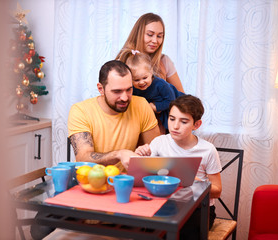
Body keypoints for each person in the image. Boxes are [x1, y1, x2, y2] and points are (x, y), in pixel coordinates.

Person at [30, 60, 160, 240]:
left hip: (123, 189)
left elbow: (158, 151)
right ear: (101, 88)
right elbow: (84, 156)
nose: (125, 97)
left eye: (129, 89)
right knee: (40, 230)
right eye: (117, 91)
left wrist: (146, 152)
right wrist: (119, 153)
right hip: (85, 187)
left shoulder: (141, 105)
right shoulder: (81, 110)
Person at [135, 94, 222, 240]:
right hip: (165, 203)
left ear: (196, 125)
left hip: (199, 208)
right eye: (172, 119)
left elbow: (217, 191)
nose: (175, 126)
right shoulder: (159, 142)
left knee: (179, 230)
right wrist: (140, 157)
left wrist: (195, 182)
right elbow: (143, 179)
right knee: (143, 225)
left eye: (184, 121)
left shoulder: (208, 150)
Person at [118, 48, 184, 133]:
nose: (141, 82)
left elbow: (171, 100)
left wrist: (155, 106)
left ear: (151, 72)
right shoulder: (132, 88)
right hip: (154, 106)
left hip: (176, 102)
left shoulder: (161, 84)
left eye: (145, 78)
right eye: (136, 80)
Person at [116, 12, 184, 93]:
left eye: (159, 36)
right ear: (139, 34)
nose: (155, 41)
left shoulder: (164, 61)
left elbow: (181, 96)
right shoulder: (123, 60)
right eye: (150, 34)